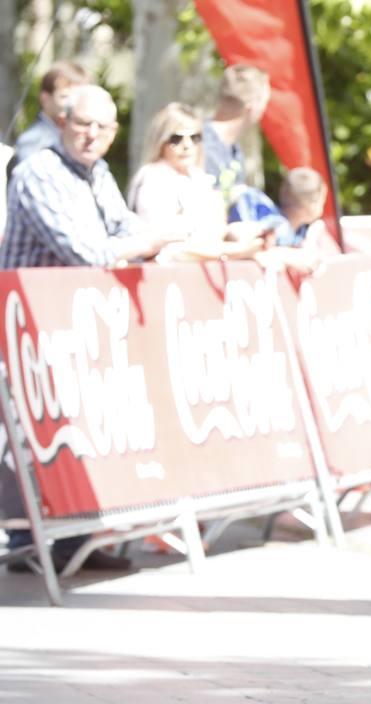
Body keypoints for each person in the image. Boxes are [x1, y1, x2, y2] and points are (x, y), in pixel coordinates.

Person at [0, 84, 177, 574]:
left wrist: (143, 240)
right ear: (62, 123)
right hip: (26, 328)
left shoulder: (97, 173)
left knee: (75, 432)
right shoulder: (39, 173)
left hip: (73, 327)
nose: (91, 135)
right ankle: (25, 539)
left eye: (101, 127)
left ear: (114, 133)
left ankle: (75, 537)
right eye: (82, 124)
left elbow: (122, 229)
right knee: (26, 437)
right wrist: (153, 238)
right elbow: (85, 251)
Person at [127, 102, 264, 261]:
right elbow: (165, 248)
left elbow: (213, 231)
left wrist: (233, 233)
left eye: (194, 137)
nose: (187, 145)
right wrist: (230, 251)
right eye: (176, 138)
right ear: (160, 141)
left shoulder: (200, 179)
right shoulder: (153, 178)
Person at [203, 64, 270, 197]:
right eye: (264, 103)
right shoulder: (196, 145)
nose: (264, 111)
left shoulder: (234, 152)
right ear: (252, 105)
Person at [11, 60, 89, 167]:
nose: (73, 103)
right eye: (65, 96)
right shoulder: (34, 141)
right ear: (45, 99)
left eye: (79, 97)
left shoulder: (75, 135)